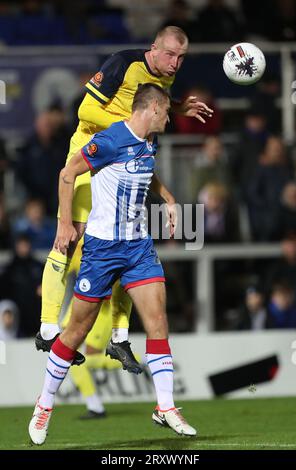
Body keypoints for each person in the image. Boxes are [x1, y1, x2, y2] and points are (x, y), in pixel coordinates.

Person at [36, 25, 213, 369]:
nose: (176, 64)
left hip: (124, 161)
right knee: (70, 234)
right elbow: (85, 112)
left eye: (181, 57)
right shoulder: (124, 63)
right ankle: (47, 328)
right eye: (170, 55)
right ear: (154, 48)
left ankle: (119, 337)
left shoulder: (164, 78)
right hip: (92, 151)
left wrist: (176, 108)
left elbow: (150, 104)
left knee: (127, 241)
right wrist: (129, 125)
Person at [29, 83, 197, 445]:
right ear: (152, 108)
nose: (170, 118)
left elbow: (145, 172)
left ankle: (165, 407)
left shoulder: (150, 141)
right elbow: (67, 173)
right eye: (167, 111)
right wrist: (64, 222)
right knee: (76, 332)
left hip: (138, 247)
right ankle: (44, 404)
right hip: (102, 249)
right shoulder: (108, 141)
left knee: (158, 321)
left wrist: (168, 198)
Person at [61, 239, 141, 418]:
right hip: (80, 302)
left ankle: (95, 404)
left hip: (103, 310)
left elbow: (117, 279)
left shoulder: (109, 242)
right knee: (64, 348)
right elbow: (68, 267)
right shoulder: (81, 243)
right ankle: (95, 403)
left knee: (80, 359)